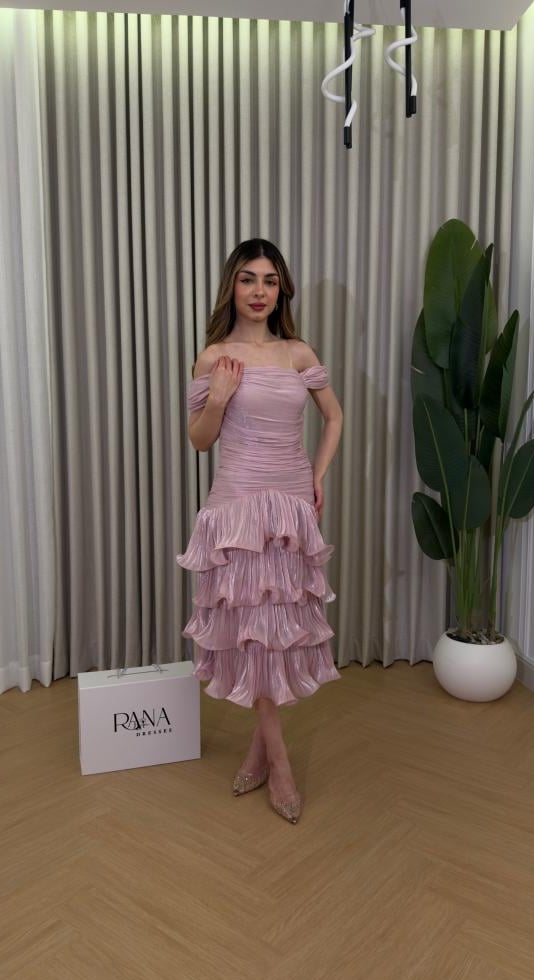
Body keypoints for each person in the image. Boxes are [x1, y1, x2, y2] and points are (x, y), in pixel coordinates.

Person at [176, 238, 344, 824]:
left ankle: (256, 754)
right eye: (248, 279)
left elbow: (334, 416)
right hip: (239, 507)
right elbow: (200, 442)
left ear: (281, 291)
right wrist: (217, 399)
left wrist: (317, 476)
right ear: (233, 286)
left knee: (276, 632)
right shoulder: (213, 357)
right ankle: (281, 765)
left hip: (291, 505)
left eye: (270, 281)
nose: (258, 291)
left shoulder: (298, 352)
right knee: (252, 633)